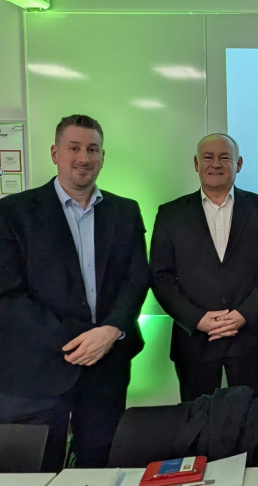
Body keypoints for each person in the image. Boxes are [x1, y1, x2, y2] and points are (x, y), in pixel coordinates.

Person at [0, 114, 149, 470]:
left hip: (107, 366)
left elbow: (136, 278)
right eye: (74, 148)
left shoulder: (124, 211)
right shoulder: (13, 212)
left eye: (92, 149)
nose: (84, 157)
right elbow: (7, 294)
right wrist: (81, 340)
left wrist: (111, 330)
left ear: (102, 156)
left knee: (99, 464)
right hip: (37, 370)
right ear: (55, 153)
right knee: (35, 469)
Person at [150, 133, 258, 402]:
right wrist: (198, 319)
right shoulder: (170, 214)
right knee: (197, 425)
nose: (216, 163)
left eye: (225, 157)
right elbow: (161, 277)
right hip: (194, 340)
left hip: (248, 338)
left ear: (239, 163)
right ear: (196, 163)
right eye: (208, 157)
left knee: (250, 422)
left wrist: (244, 314)